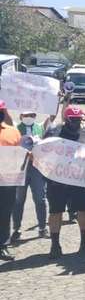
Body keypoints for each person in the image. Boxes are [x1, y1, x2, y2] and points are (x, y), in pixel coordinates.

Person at [43, 105, 85, 258]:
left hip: (80, 179)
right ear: (66, 119)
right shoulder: (53, 131)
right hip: (57, 180)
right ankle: (55, 245)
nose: (76, 122)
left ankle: (84, 243)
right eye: (73, 120)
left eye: (79, 119)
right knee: (55, 211)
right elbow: (43, 151)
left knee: (84, 210)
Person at [12, 110, 54, 241]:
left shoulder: (40, 127)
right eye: (26, 115)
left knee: (40, 199)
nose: (29, 117)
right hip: (20, 169)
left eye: (32, 115)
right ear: (21, 116)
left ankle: (42, 228)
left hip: (37, 168)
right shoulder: (15, 128)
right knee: (18, 200)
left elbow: (52, 115)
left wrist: (59, 99)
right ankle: (16, 229)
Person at [0, 100, 22, 261]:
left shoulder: (13, 132)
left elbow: (20, 154)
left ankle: (3, 245)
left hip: (7, 181)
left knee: (5, 213)